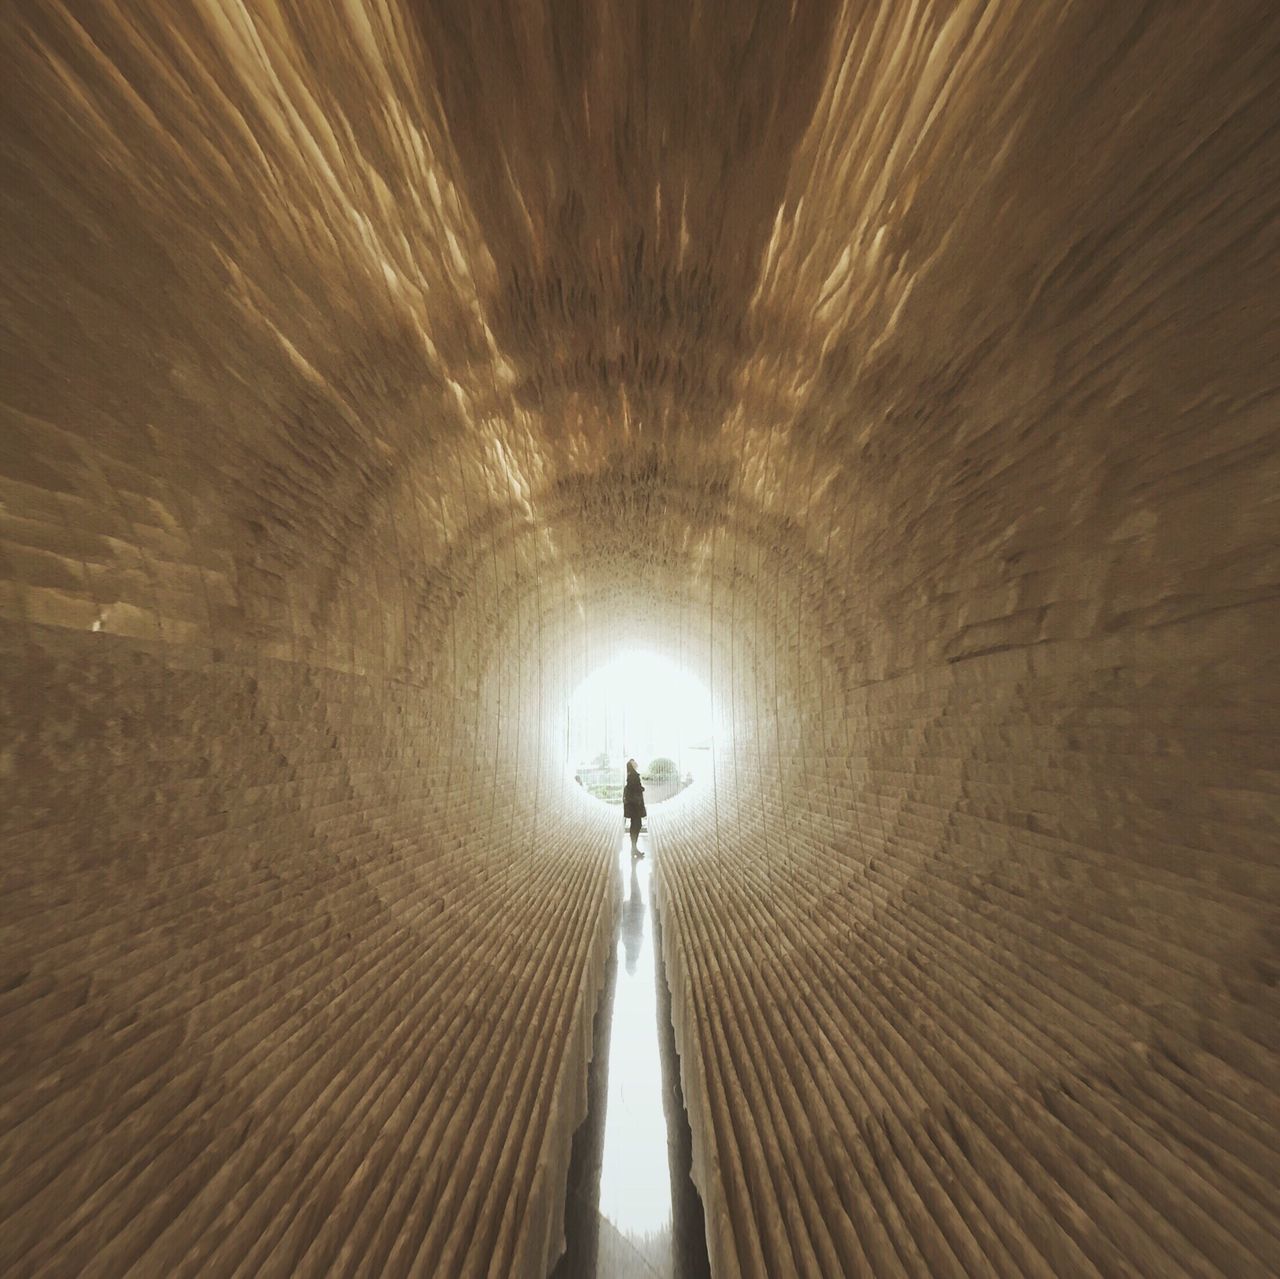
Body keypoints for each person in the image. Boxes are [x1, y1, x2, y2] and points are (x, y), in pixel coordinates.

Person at [623, 758, 646, 857]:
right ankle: (634, 848)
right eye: (633, 762)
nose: (636, 763)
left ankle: (634, 848)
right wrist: (641, 789)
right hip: (635, 805)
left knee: (635, 825)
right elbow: (634, 789)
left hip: (634, 805)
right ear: (631, 765)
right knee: (636, 825)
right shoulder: (634, 776)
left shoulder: (631, 775)